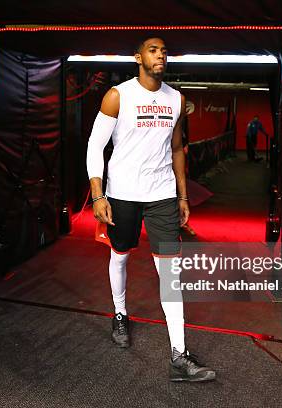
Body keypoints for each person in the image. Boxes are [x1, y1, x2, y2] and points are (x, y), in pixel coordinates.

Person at [85, 37, 215, 382]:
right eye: (153, 50)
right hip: (123, 195)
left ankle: (179, 355)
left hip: (161, 197)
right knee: (121, 256)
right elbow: (95, 146)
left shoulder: (176, 99)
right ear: (138, 57)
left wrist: (183, 197)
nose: (161, 55)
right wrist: (98, 194)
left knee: (170, 275)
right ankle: (121, 313)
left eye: (165, 51)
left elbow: (177, 150)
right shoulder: (118, 96)